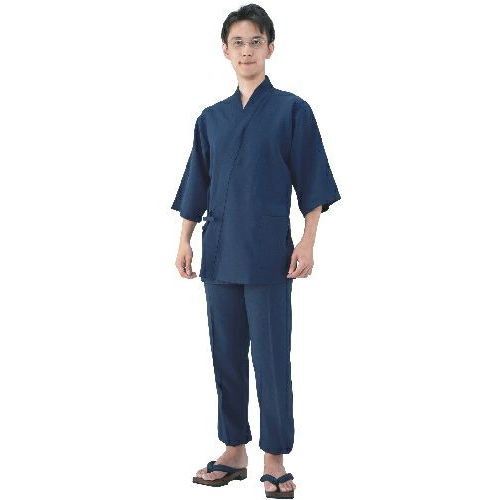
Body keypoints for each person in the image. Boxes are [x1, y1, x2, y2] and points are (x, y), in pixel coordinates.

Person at [171, 4, 341, 498]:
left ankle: (274, 458)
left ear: (270, 48)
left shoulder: (292, 111)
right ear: (225, 51)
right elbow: (197, 183)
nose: (247, 51)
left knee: (271, 359)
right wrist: (184, 239)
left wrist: (308, 241)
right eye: (238, 43)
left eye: (255, 42)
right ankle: (233, 450)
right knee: (225, 357)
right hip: (219, 255)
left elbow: (312, 181)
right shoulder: (211, 118)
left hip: (269, 255)